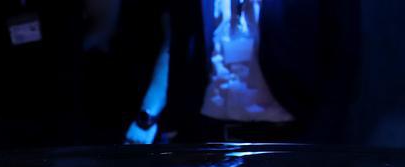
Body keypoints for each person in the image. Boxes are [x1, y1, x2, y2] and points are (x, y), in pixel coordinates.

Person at [124, 0, 359, 146]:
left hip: (285, 140)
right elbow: (180, 44)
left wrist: (322, 137)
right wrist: (157, 119)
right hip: (207, 138)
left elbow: (343, 58)